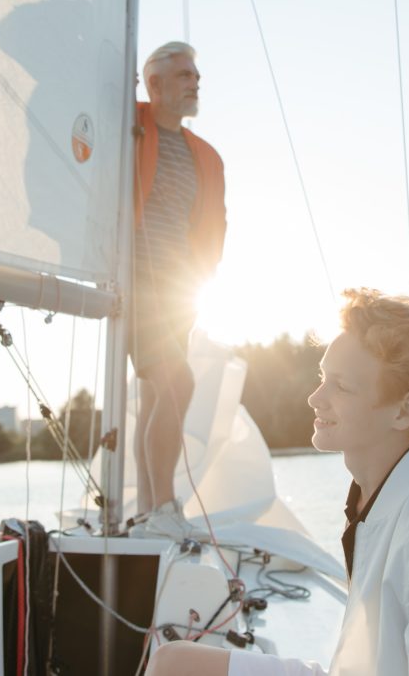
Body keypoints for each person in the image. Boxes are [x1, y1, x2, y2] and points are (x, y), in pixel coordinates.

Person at [147, 288, 409, 675]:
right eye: (322, 378)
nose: (315, 398)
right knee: (174, 662)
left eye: (341, 386)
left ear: (405, 410)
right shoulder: (378, 495)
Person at [129, 41, 226, 540]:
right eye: (185, 74)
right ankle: (163, 505)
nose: (195, 81)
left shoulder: (204, 156)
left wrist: (203, 272)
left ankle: (149, 511)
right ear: (156, 85)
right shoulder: (129, 124)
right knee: (177, 384)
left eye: (196, 75)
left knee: (153, 396)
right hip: (137, 281)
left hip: (177, 289)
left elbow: (216, 223)